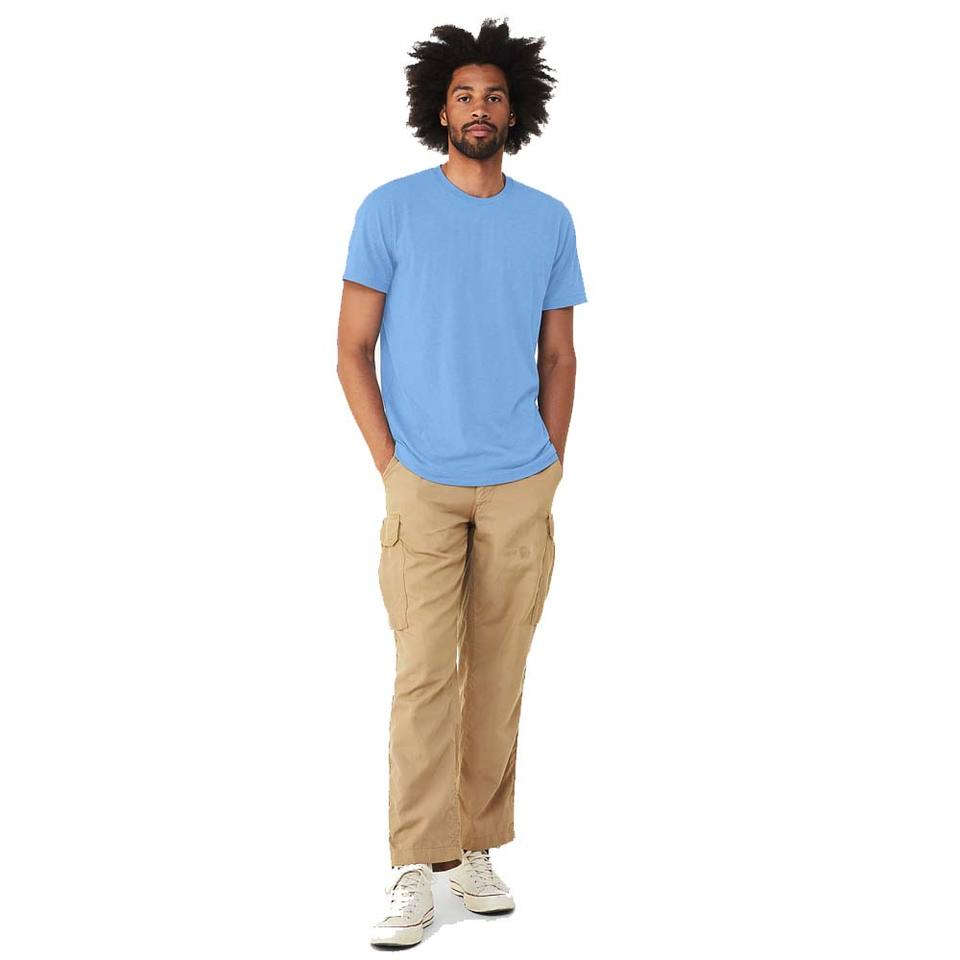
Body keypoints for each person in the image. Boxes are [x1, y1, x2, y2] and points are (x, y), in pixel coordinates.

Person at [336, 18, 587, 948]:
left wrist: (549, 464)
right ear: (439, 111)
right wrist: (390, 464)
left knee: (499, 673)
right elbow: (352, 349)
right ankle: (416, 861)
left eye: (494, 96)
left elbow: (560, 356)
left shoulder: (549, 219)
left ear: (515, 112)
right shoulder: (390, 210)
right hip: (423, 484)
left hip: (520, 482)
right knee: (422, 675)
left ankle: (474, 846)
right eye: (463, 95)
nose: (479, 109)